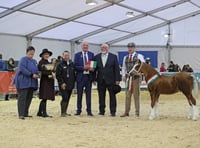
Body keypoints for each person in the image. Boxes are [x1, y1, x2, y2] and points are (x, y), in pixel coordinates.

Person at [94, 43, 121, 117]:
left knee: (112, 96)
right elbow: (94, 69)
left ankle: (113, 111)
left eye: (105, 47)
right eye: (102, 47)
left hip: (111, 80)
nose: (103, 49)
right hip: (100, 80)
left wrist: (117, 79)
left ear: (108, 48)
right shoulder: (96, 57)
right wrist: (94, 79)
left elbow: (116, 69)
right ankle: (101, 111)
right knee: (101, 96)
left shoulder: (113, 57)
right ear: (100, 48)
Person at [14, 46, 39, 120]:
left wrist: (38, 74)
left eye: (32, 53)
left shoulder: (34, 61)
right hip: (23, 81)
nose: (31, 55)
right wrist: (31, 74)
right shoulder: (23, 59)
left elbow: (35, 69)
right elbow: (22, 69)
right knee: (22, 98)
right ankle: (21, 114)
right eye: (30, 53)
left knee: (29, 98)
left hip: (31, 82)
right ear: (27, 53)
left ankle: (25, 113)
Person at [120, 42, 145, 118]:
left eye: (131, 47)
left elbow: (142, 66)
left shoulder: (139, 56)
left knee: (136, 95)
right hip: (128, 78)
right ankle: (126, 112)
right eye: (129, 47)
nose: (130, 49)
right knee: (127, 95)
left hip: (136, 78)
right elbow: (124, 67)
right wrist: (123, 75)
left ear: (134, 48)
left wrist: (140, 73)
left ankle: (137, 112)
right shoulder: (125, 57)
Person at [74, 41, 94, 116]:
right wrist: (83, 68)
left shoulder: (91, 54)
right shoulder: (77, 55)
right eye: (84, 45)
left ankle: (89, 110)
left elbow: (93, 64)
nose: (85, 47)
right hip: (80, 77)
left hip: (89, 77)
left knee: (88, 95)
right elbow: (75, 66)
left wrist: (92, 68)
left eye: (86, 45)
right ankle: (79, 110)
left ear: (88, 46)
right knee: (79, 95)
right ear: (81, 46)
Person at [56, 50, 75, 117]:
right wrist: (62, 83)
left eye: (67, 55)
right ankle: (62, 112)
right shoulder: (59, 64)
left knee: (68, 98)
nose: (66, 57)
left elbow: (73, 73)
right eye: (65, 55)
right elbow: (58, 75)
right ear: (63, 56)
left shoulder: (71, 64)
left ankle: (65, 111)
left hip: (70, 84)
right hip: (63, 84)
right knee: (65, 97)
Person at [37, 49, 55, 118]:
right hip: (44, 81)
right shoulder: (41, 63)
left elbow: (52, 70)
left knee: (45, 97)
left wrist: (53, 73)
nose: (47, 55)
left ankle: (39, 112)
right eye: (45, 54)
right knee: (44, 97)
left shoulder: (48, 62)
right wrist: (51, 73)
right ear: (42, 55)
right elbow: (42, 72)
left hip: (49, 81)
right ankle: (44, 113)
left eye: (47, 54)